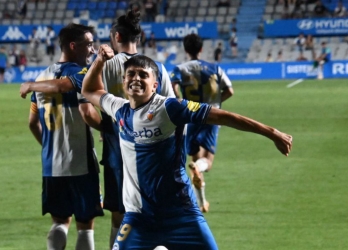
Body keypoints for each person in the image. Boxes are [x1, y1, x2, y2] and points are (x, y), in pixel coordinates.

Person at [81, 46, 293, 250]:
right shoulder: (118, 109)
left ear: (155, 85)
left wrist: (271, 132)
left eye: (143, 75)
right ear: (124, 80)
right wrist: (99, 61)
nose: (136, 78)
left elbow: (225, 117)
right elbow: (89, 89)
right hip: (138, 218)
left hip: (181, 215)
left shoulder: (169, 108)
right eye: (131, 74)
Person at [19, 10, 175, 249]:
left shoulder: (96, 69)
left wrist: (109, 128)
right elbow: (172, 112)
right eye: (89, 44)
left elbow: (62, 115)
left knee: (116, 216)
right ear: (139, 37)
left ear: (116, 36)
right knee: (151, 214)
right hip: (150, 152)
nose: (93, 49)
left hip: (106, 154)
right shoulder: (156, 69)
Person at [21, 23, 104, 250]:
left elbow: (32, 123)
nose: (92, 49)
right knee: (85, 225)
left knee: (59, 222)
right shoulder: (81, 74)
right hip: (81, 162)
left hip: (51, 164)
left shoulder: (41, 77)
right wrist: (109, 130)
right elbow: (87, 112)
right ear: (72, 45)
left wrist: (48, 146)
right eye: (88, 44)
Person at [170, 34, 234, 212]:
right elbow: (230, 90)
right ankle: (199, 169)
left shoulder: (180, 68)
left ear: (185, 50)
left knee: (195, 158)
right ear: (201, 49)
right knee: (207, 162)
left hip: (190, 116)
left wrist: (180, 102)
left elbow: (171, 85)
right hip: (211, 115)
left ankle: (201, 202)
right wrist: (216, 103)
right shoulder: (214, 67)